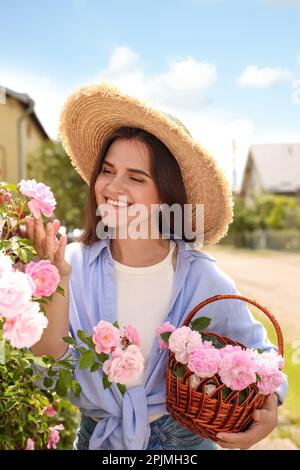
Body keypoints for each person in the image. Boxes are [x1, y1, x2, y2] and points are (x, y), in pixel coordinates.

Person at [26, 82, 287, 451]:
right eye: (107, 170)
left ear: (165, 195)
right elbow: (50, 369)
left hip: (183, 443)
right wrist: (57, 283)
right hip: (98, 439)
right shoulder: (72, 265)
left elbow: (264, 355)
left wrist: (271, 406)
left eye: (136, 177)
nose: (113, 187)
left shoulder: (201, 277)